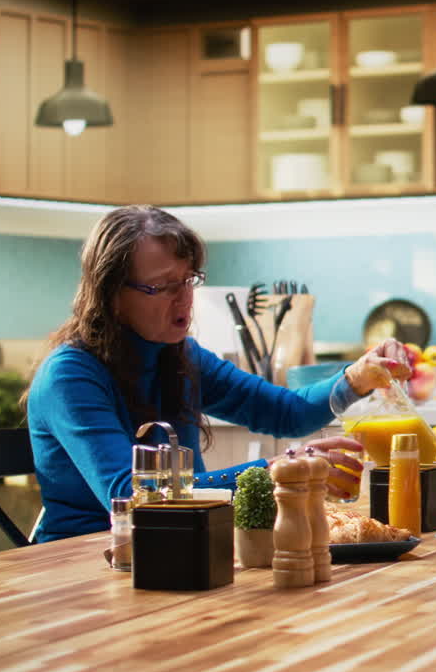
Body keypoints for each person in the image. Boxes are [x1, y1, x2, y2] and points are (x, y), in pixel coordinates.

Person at [23, 204, 411, 543]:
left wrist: (358, 377)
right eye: (162, 285)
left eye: (188, 279)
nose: (185, 298)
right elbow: (135, 496)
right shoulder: (70, 377)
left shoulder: (180, 356)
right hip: (80, 563)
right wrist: (273, 472)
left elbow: (285, 412)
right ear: (111, 294)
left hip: (178, 545)